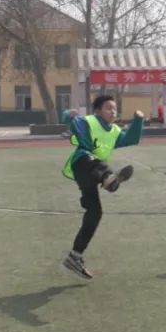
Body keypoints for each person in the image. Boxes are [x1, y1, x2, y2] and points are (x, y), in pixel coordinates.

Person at [61, 95, 144, 279]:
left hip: (91, 175)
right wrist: (68, 113)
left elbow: (131, 139)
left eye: (114, 109)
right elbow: (71, 120)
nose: (113, 111)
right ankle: (109, 180)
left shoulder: (114, 131)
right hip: (83, 163)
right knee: (94, 161)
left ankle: (75, 256)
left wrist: (138, 120)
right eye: (108, 108)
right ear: (98, 111)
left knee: (95, 212)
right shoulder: (89, 122)